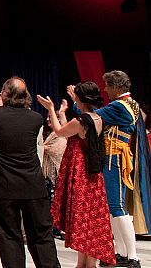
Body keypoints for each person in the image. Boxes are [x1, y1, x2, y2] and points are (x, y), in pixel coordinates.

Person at [0, 76, 60, 268]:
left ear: (5, 94)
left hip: (3, 186)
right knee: (41, 235)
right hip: (32, 185)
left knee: (9, 236)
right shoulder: (36, 118)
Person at [68, 71, 149, 268]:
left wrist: (75, 101)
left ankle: (133, 257)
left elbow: (88, 118)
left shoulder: (119, 106)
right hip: (115, 157)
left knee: (117, 206)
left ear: (116, 87)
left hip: (115, 159)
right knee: (114, 207)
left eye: (107, 86)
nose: (105, 89)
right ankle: (121, 253)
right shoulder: (130, 103)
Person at [38, 82, 115, 267]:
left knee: (82, 217)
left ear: (80, 99)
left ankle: (86, 264)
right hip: (93, 176)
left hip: (81, 174)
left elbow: (59, 131)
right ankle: (84, 262)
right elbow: (70, 130)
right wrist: (66, 110)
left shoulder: (80, 121)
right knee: (90, 218)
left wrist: (50, 109)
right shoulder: (97, 118)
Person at [42, 107, 68, 239]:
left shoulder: (61, 135)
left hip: (59, 174)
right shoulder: (50, 135)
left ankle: (62, 229)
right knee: (51, 202)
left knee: (59, 201)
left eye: (50, 117)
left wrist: (42, 147)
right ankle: (52, 228)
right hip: (50, 174)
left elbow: (58, 150)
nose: (47, 120)